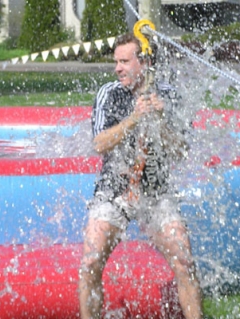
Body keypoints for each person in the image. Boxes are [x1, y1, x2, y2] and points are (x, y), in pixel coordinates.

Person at [78, 33, 203, 319]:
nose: (117, 68)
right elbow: (99, 144)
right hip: (115, 191)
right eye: (116, 61)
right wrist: (133, 119)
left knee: (185, 261)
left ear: (144, 62)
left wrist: (159, 122)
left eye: (124, 61)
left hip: (156, 192)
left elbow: (181, 152)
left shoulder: (169, 96)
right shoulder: (109, 93)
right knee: (90, 262)